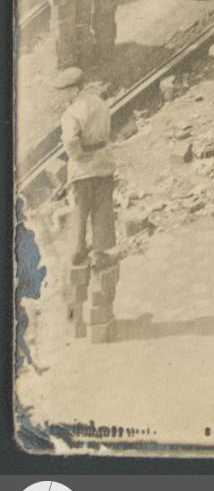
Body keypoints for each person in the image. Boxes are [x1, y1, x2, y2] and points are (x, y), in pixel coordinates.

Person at [57, 67, 122, 342]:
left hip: (84, 169)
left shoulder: (72, 113)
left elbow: (71, 141)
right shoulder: (98, 102)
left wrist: (78, 155)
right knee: (103, 210)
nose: (64, 97)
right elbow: (108, 129)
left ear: (73, 89)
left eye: (65, 92)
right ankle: (101, 252)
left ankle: (78, 250)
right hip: (104, 163)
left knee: (80, 211)